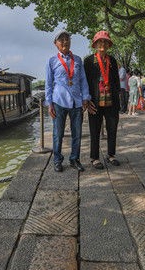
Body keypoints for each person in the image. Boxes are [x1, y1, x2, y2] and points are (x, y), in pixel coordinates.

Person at [44, 30, 91, 173]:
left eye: (67, 39)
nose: (65, 42)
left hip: (76, 102)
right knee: (58, 134)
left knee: (77, 133)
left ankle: (74, 159)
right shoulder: (52, 61)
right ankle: (57, 160)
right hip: (59, 101)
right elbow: (49, 84)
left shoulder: (77, 60)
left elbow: (83, 79)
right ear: (55, 43)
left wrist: (85, 97)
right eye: (61, 39)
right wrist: (49, 103)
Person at [84, 30, 121, 169]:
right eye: (100, 41)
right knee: (94, 130)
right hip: (95, 101)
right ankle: (94, 158)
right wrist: (87, 100)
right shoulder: (88, 61)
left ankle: (111, 155)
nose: (103, 44)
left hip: (111, 101)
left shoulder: (112, 60)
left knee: (112, 129)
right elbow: (85, 82)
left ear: (108, 44)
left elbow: (116, 81)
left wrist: (119, 98)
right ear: (95, 44)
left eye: (105, 41)